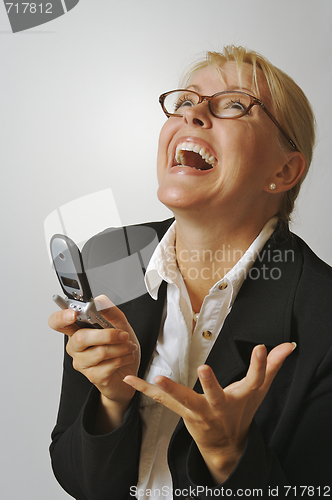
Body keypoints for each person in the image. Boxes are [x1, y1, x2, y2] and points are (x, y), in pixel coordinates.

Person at [48, 46, 332, 500]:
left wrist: (228, 455)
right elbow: (81, 480)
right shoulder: (109, 256)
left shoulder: (324, 315)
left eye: (234, 104)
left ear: (283, 170)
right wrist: (110, 401)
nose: (194, 114)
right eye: (185, 101)